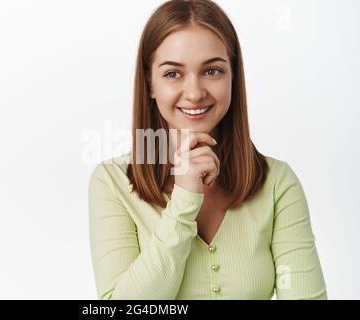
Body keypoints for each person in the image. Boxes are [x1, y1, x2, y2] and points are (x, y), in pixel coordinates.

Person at [88, 0, 327, 300]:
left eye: (212, 71)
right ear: (150, 82)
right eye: (173, 73)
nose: (194, 93)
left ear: (233, 77)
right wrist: (185, 199)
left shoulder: (277, 183)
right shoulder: (111, 182)